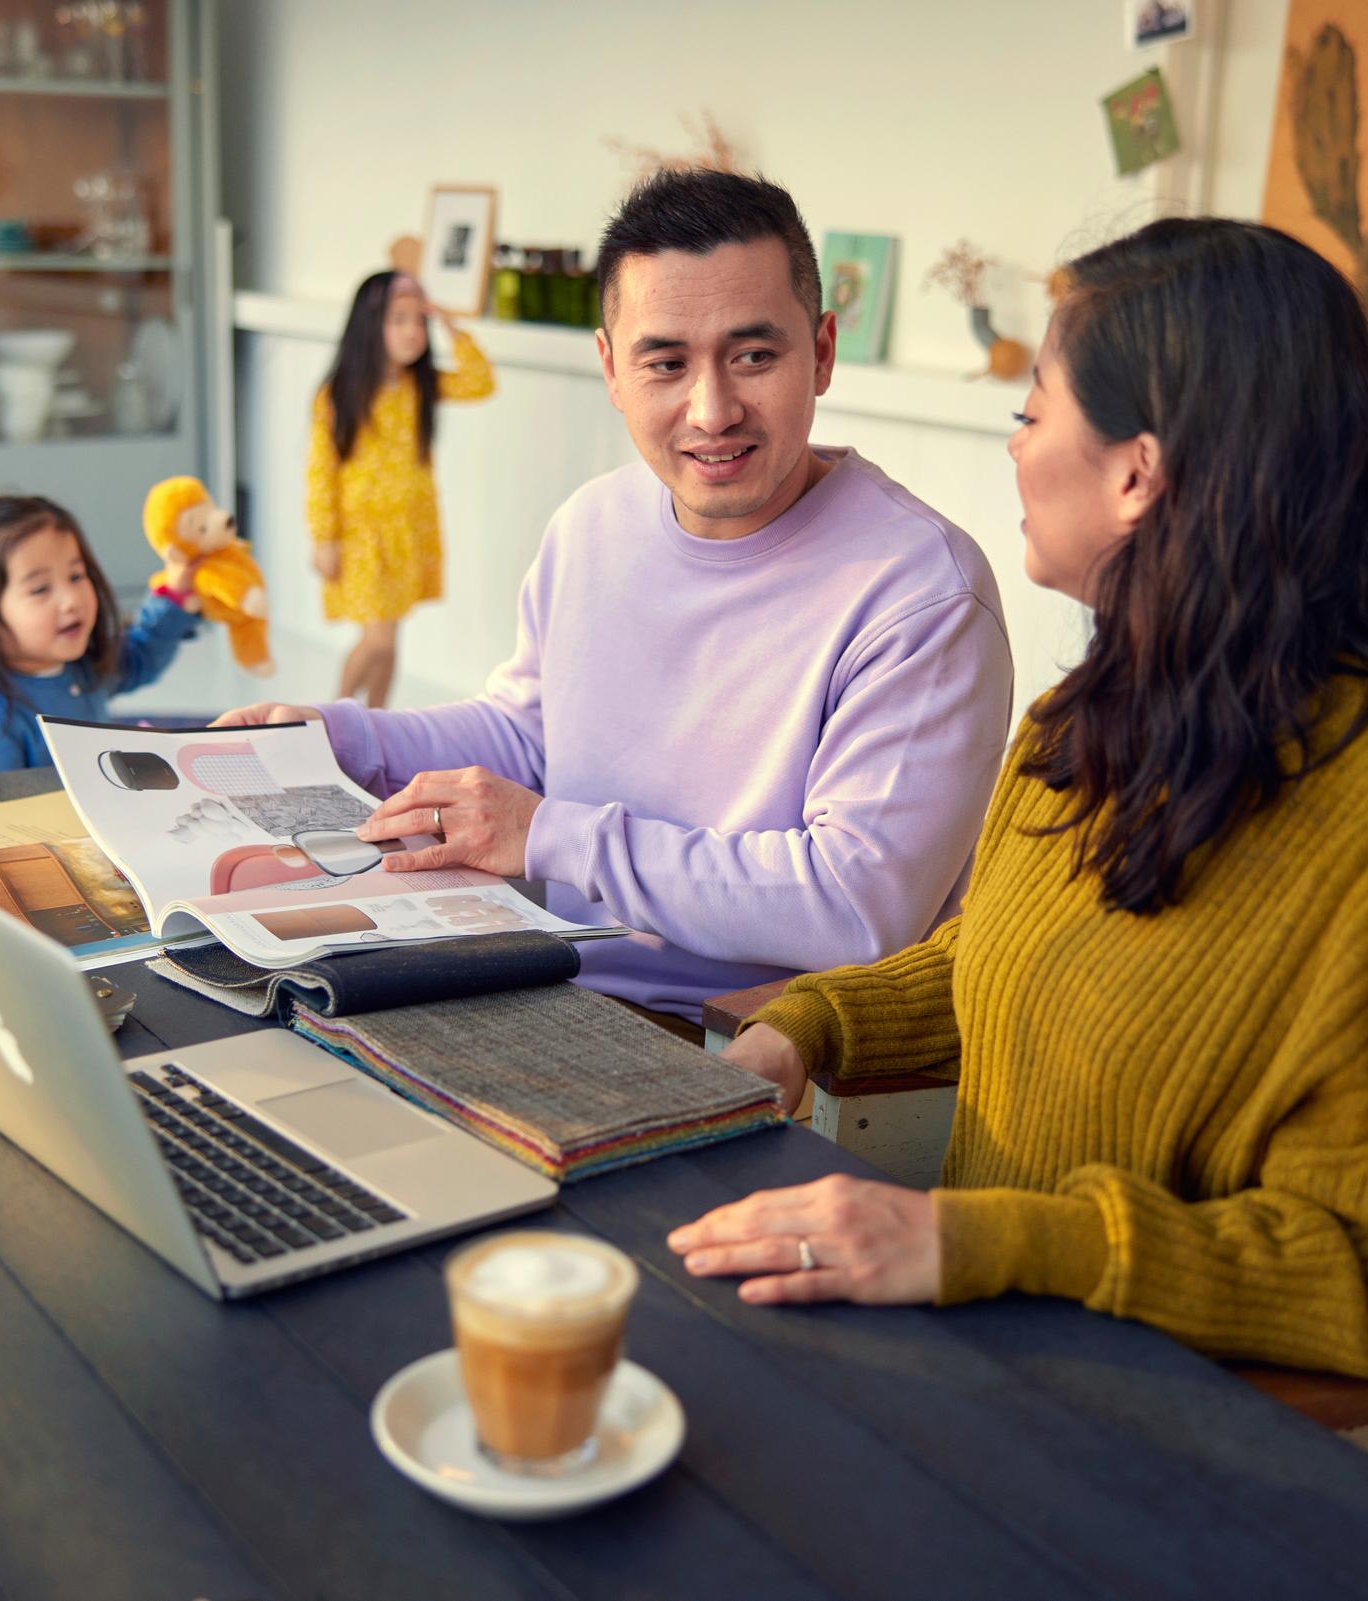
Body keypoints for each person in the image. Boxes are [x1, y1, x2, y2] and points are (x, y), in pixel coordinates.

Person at [667, 217, 1368, 1380]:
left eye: (1033, 408)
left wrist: (974, 1237)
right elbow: (1013, 957)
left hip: (1218, 1445)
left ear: (1138, 471)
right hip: (1007, 1363)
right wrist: (811, 1025)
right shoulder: (1094, 716)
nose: (1017, 446)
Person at [220, 170, 1014, 1035]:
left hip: (740, 1040)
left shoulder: (922, 593)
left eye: (754, 355)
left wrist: (555, 837)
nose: (711, 411)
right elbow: (529, 736)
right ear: (610, 368)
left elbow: (855, 904)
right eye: (665, 363)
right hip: (536, 980)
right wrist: (332, 739)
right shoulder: (591, 525)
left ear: (821, 352)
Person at [0, 495, 202, 778]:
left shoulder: (84, 666)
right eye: (40, 589)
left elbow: (141, 656)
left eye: (76, 576)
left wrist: (173, 595)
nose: (72, 599)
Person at [309, 270, 495, 708]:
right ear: (370, 326)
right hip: (362, 536)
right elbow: (320, 472)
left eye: (419, 321)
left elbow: (480, 381)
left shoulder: (420, 387)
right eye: (399, 320)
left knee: (391, 639)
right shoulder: (339, 394)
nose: (413, 332)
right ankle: (332, 715)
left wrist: (451, 325)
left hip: (408, 531)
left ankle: (376, 720)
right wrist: (324, 536)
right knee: (377, 638)